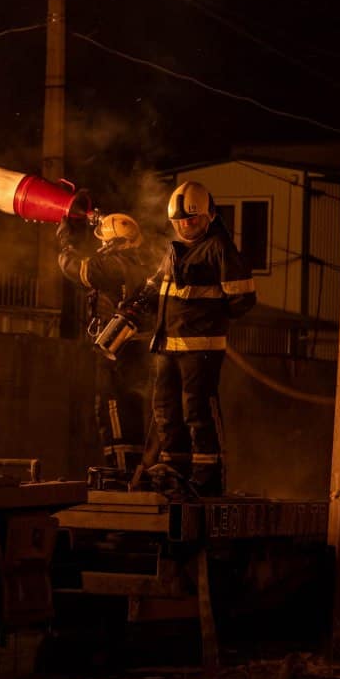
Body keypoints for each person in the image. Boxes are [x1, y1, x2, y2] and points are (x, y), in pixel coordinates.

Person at [145, 181, 256, 497]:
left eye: (192, 219)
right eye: (179, 221)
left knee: (197, 410)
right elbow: (155, 289)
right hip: (168, 346)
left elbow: (243, 299)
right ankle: (174, 470)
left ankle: (207, 476)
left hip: (201, 348)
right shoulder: (173, 249)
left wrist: (209, 317)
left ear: (208, 216)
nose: (185, 225)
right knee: (165, 409)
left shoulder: (219, 248)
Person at [57, 212, 157, 481]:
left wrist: (66, 240)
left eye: (103, 240)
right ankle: (134, 470)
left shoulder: (113, 266)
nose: (100, 245)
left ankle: (122, 475)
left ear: (113, 243)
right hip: (136, 351)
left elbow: (74, 268)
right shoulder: (139, 264)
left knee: (113, 411)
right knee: (132, 412)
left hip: (116, 353)